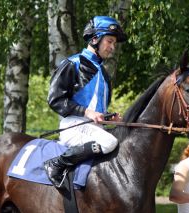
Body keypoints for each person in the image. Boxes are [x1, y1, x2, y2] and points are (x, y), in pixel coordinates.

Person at [44, 16, 127, 188]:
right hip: (72, 126)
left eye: (114, 43)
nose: (112, 47)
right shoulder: (72, 63)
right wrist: (87, 112)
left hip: (93, 129)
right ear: (95, 39)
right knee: (110, 142)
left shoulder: (103, 73)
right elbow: (55, 100)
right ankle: (57, 164)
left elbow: (96, 109)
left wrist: (107, 118)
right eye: (109, 41)